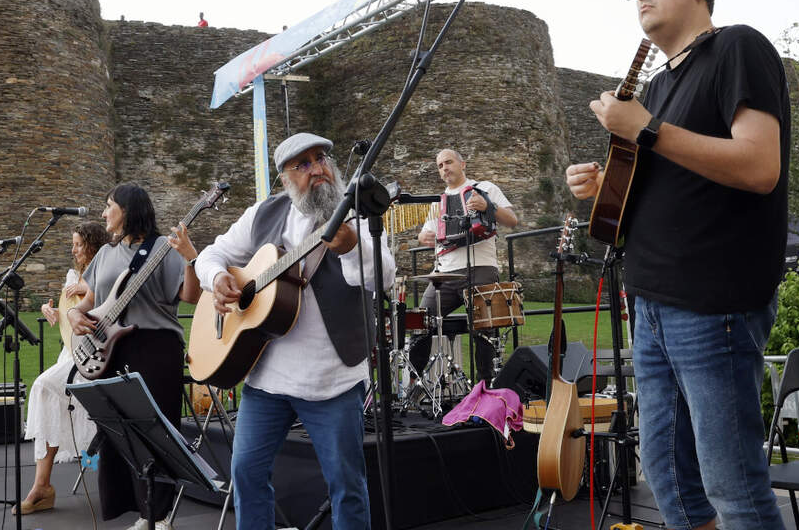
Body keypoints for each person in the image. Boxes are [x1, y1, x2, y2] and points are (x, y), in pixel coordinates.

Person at [565, 0, 789, 530]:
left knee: (731, 485)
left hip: (713, 301)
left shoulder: (737, 48)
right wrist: (602, 184)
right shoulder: (657, 88)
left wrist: (645, 130)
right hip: (651, 302)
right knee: (670, 484)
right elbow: (663, 184)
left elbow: (759, 165)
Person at [195, 132, 396, 530]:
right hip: (267, 376)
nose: (316, 169)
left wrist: (352, 246)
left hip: (332, 379)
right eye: (302, 165)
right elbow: (210, 254)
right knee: (247, 474)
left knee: (346, 486)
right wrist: (217, 279)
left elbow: (384, 277)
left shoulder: (352, 215)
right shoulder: (263, 214)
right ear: (285, 178)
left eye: (321, 158)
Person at [64, 183, 202, 530]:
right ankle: (142, 512)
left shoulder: (163, 249)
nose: (103, 212)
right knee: (117, 430)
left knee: (155, 432)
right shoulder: (106, 255)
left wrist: (189, 256)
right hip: (111, 348)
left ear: (127, 209)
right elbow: (90, 301)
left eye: (109, 205)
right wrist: (74, 315)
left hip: (155, 347)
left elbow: (191, 295)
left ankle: (161, 515)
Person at [15, 220, 109, 515]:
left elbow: (105, 305)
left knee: (44, 387)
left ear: (92, 244)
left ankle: (42, 487)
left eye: (78, 244)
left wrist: (87, 286)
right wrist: (53, 311)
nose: (73, 250)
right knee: (48, 396)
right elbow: (72, 314)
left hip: (100, 353)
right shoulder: (73, 276)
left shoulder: (108, 268)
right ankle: (42, 486)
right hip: (72, 353)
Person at [411, 148, 517, 382]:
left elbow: (512, 220)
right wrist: (422, 238)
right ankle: (414, 384)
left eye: (448, 162)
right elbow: (426, 234)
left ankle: (484, 387)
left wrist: (488, 206)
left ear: (462, 164)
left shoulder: (485, 189)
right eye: (440, 166)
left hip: (480, 268)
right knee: (420, 323)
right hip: (443, 274)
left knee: (484, 331)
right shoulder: (437, 203)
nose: (444, 168)